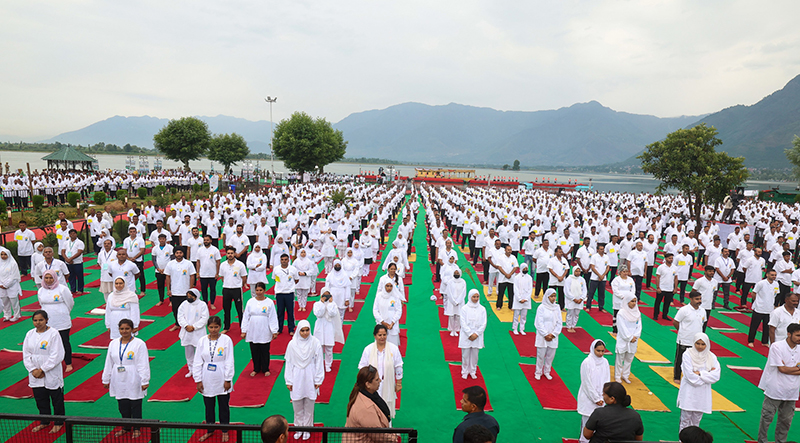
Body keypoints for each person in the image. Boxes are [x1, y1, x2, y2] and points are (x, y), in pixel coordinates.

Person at [101, 318, 151, 438]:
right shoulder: (113, 343)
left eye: (127, 328)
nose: (124, 331)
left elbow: (143, 363)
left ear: (132, 329)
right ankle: (126, 426)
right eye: (122, 329)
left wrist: (145, 380)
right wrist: (106, 378)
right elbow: (109, 362)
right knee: (122, 404)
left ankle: (137, 428)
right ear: (118, 329)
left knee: (135, 403)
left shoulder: (139, 344)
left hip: (134, 376)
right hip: (118, 377)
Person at [193, 315, 235, 442]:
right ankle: (210, 429)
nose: (213, 330)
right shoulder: (202, 341)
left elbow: (229, 360)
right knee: (209, 405)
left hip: (221, 375)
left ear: (220, 327)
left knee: (223, 405)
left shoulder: (226, 340)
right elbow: (197, 361)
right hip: (207, 376)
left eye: (216, 327)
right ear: (207, 327)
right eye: (211, 327)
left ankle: (225, 430)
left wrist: (228, 379)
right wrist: (198, 380)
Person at [23, 310, 65, 434]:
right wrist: (32, 370)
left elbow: (57, 355)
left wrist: (43, 369)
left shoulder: (54, 334)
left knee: (56, 399)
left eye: (41, 320)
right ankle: (44, 421)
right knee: (40, 399)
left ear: (47, 320)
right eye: (35, 320)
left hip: (51, 372)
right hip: (35, 373)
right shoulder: (29, 334)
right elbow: (26, 354)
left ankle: (59, 422)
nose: (38, 323)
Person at [757, 322, 800, 443]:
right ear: (788, 334)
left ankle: (781, 441)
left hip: (792, 391)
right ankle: (762, 441)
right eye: (797, 335)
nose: (799, 338)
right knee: (767, 418)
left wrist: (787, 368)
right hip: (775, 389)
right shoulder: (777, 346)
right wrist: (796, 369)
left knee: (786, 421)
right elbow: (781, 369)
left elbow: (785, 369)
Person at [284, 319, 324, 441]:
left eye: (307, 330)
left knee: (309, 405)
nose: (305, 333)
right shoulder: (292, 344)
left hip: (310, 376)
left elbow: (318, 362)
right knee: (297, 405)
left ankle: (307, 428)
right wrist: (289, 381)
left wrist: (318, 379)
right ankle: (298, 427)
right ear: (298, 331)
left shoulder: (315, 343)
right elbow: (289, 364)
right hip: (297, 377)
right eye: (302, 330)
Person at [358, 325, 403, 420]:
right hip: (372, 386)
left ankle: (388, 430)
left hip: (388, 385)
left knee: (386, 408)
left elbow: (398, 367)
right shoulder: (368, 350)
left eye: (384, 335)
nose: (382, 337)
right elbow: (362, 367)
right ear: (375, 336)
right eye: (379, 335)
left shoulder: (393, 349)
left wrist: (399, 383)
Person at [677, 332, 720, 432]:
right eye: (698, 343)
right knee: (685, 420)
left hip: (702, 394)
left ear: (707, 344)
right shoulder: (687, 354)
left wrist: (700, 373)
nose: (700, 346)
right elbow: (689, 376)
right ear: (693, 343)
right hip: (689, 392)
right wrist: (706, 377)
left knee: (696, 421)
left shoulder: (711, 357)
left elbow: (716, 376)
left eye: (703, 344)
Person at [345, 365, 396, 441]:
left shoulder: (365, 394)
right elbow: (378, 435)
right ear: (368, 384)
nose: (380, 380)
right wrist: (394, 438)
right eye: (376, 379)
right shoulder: (366, 408)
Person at [37, 270, 74, 373]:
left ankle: (68, 363)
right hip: (47, 321)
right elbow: (41, 304)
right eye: (46, 278)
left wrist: (63, 312)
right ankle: (50, 363)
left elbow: (70, 303)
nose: (49, 280)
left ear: (55, 278)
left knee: (64, 341)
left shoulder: (62, 289)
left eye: (51, 278)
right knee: (48, 342)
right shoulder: (41, 290)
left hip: (61, 320)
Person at [241, 282, 279, 376]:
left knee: (265, 350)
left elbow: (273, 317)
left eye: (260, 290)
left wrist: (274, 331)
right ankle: (256, 368)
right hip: (253, 329)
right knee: (254, 350)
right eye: (257, 290)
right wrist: (244, 330)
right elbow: (246, 316)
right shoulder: (250, 301)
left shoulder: (269, 302)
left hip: (264, 328)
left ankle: (266, 368)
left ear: (264, 290)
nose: (259, 292)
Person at [578, 340, 610, 443]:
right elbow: (586, 383)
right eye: (598, 351)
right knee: (587, 423)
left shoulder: (605, 362)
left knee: (599, 423)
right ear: (593, 349)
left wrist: (603, 397)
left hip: (601, 398)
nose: (600, 353)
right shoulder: (587, 363)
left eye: (602, 351)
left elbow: (607, 380)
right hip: (588, 398)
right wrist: (595, 398)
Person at [673, 291, 706, 383]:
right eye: (697, 299)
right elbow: (675, 322)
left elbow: (702, 324)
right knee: (680, 359)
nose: (699, 301)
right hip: (684, 339)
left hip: (696, 341)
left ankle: (692, 376)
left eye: (700, 299)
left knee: (695, 360)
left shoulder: (702, 311)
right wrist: (682, 331)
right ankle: (677, 377)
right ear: (691, 299)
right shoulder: (684, 310)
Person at [164, 246, 197, 332]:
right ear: (174, 254)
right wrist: (168, 289)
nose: (179, 254)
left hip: (185, 291)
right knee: (175, 309)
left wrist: (191, 289)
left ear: (183, 253)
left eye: (180, 253)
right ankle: (177, 324)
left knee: (187, 309)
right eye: (177, 253)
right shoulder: (170, 264)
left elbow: (192, 276)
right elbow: (168, 277)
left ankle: (187, 324)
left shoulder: (188, 263)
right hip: (175, 291)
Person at [178, 288, 209, 378]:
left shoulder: (202, 305)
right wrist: (186, 326)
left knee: (200, 352)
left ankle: (200, 370)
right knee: (189, 353)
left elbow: (204, 318)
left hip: (198, 332)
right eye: (188, 296)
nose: (189, 298)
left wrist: (194, 327)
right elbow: (180, 316)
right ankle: (191, 369)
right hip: (186, 331)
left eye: (191, 297)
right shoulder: (184, 304)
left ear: (196, 297)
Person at [313, 288, 345, 372]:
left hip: (329, 328)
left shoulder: (333, 304)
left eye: (328, 295)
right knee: (318, 348)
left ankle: (328, 364)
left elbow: (332, 313)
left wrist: (330, 303)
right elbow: (318, 314)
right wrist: (322, 303)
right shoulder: (317, 304)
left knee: (329, 348)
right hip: (320, 327)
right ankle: (318, 365)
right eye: (324, 295)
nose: (326, 297)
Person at [219, 246, 248, 333]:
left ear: (234, 254)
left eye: (232, 253)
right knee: (226, 309)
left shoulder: (240, 265)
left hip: (237, 290)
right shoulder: (223, 265)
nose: (230, 255)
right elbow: (222, 277)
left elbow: (244, 277)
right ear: (226, 254)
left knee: (239, 310)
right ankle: (226, 327)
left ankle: (243, 328)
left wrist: (239, 285)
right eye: (228, 253)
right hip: (226, 289)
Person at [534, 288, 562, 380]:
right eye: (551, 296)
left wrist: (553, 334)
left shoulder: (557, 307)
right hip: (543, 336)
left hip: (553, 336)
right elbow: (538, 322)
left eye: (554, 296)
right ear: (547, 297)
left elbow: (559, 322)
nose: (553, 298)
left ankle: (547, 371)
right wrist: (545, 334)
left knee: (550, 356)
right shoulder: (541, 307)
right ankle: (538, 371)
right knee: (541, 355)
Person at [459, 289, 487, 380]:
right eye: (474, 297)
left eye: (477, 297)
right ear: (470, 297)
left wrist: (476, 334)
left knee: (475, 355)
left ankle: (473, 371)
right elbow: (462, 323)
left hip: (477, 336)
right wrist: (470, 334)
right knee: (465, 354)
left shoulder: (482, 309)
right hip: (466, 335)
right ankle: (465, 371)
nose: (475, 299)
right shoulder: (464, 308)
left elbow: (484, 323)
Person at [614, 294, 642, 384]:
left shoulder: (637, 313)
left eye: (635, 301)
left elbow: (639, 326)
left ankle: (625, 375)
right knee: (620, 358)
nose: (634, 303)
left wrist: (635, 337)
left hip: (634, 339)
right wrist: (629, 337)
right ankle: (617, 376)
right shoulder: (621, 313)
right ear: (627, 301)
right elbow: (621, 327)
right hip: (624, 338)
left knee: (629, 359)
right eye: (632, 301)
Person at [749, 269, 779, 347]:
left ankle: (765, 341)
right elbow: (753, 293)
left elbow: (776, 295)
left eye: (775, 275)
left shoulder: (776, 284)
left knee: (767, 327)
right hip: (759, 308)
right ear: (767, 275)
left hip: (770, 309)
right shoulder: (761, 283)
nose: (774, 276)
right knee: (754, 326)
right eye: (772, 275)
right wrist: (757, 302)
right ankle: (751, 340)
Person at [273, 253, 299, 335]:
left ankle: (291, 329)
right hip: (279, 293)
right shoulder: (276, 269)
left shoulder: (293, 269)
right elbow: (275, 279)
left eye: (285, 260)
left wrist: (289, 285)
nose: (284, 261)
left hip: (289, 293)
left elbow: (296, 280)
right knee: (280, 312)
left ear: (288, 260)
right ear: (280, 260)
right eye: (282, 260)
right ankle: (279, 329)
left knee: (290, 312)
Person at [373, 281, 403, 347]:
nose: (389, 288)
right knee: (380, 345)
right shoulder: (379, 296)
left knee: (393, 347)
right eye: (387, 286)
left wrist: (392, 323)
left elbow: (398, 311)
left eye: (391, 286)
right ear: (384, 286)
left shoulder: (396, 297)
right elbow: (375, 310)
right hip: (381, 324)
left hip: (392, 325)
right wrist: (383, 322)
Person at [0, 246, 23, 322]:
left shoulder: (13, 264)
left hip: (12, 285)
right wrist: (1, 284)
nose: (3, 256)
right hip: (1, 286)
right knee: (4, 301)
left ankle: (16, 315)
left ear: (8, 255)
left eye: (5, 254)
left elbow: (14, 276)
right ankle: (7, 315)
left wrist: (6, 285)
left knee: (14, 301)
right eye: (2, 254)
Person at [610, 264, 635, 333]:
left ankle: (624, 330)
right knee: (617, 315)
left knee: (626, 315)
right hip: (619, 300)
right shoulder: (616, 280)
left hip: (628, 301)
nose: (625, 273)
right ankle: (615, 330)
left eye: (626, 271)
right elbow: (615, 290)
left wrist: (630, 297)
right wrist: (623, 296)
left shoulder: (630, 280)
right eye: (624, 271)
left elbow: (633, 289)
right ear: (620, 272)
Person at [151, 233, 174, 307]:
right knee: (160, 286)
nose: (162, 240)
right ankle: (161, 300)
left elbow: (172, 259)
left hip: (168, 270)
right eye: (160, 239)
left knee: (170, 286)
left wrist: (166, 269)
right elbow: (154, 259)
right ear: (158, 240)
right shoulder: (155, 248)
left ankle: (171, 300)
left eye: (163, 239)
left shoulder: (170, 247)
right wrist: (157, 268)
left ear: (165, 239)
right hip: (159, 270)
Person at [61, 229, 85, 295]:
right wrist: (66, 259)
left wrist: (71, 258)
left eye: (74, 233)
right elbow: (63, 251)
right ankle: (73, 289)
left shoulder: (80, 242)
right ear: (69, 235)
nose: (72, 235)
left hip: (77, 262)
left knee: (79, 276)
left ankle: (80, 289)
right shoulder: (66, 242)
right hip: (68, 262)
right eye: (71, 234)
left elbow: (79, 252)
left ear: (76, 234)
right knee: (71, 276)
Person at [511, 263, 533, 335]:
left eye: (526, 269)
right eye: (524, 269)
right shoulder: (516, 277)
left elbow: (530, 289)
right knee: (516, 315)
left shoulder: (529, 278)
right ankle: (515, 328)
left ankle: (522, 329)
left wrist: (526, 298)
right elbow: (516, 289)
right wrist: (520, 299)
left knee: (524, 316)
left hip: (526, 300)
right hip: (518, 300)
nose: (525, 270)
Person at [564, 267, 587, 332]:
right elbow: (567, 290)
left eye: (579, 271)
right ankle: (568, 326)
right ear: (573, 271)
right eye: (576, 271)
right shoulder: (569, 279)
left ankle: (573, 326)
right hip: (571, 300)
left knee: (576, 314)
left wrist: (581, 298)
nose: (578, 273)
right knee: (570, 313)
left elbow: (584, 290)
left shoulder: (582, 280)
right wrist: (573, 298)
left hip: (579, 300)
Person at [447, 268, 467, 336]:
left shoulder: (463, 282)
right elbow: (448, 292)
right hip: (451, 302)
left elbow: (463, 292)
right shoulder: (450, 281)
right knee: (451, 316)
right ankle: (451, 329)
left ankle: (456, 329)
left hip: (460, 302)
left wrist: (458, 301)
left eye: (457, 273)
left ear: (460, 274)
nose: (456, 274)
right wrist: (453, 301)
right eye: (455, 273)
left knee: (458, 316)